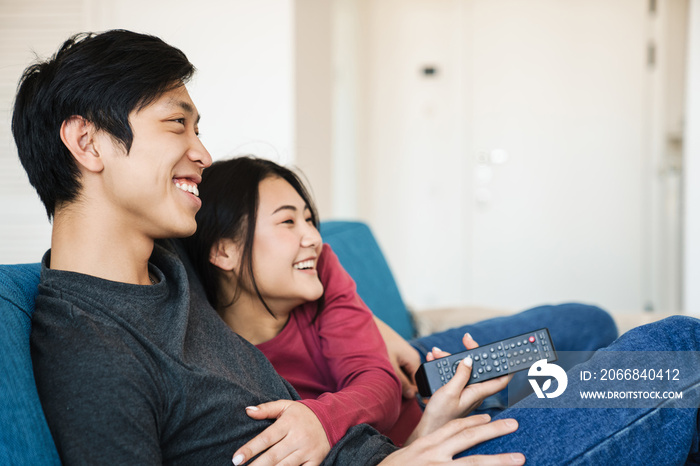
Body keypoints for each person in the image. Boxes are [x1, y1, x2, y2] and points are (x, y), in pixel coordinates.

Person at [13, 29, 700, 466]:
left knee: (641, 355)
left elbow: (299, 271)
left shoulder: (167, 263)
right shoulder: (91, 347)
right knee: (673, 350)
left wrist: (408, 414)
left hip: (415, 439)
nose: (202, 152)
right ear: (88, 142)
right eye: (176, 126)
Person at [181, 155, 619, 447]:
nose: (313, 237)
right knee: (652, 377)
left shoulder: (322, 265)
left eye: (310, 219)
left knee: (588, 323)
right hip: (421, 440)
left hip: (422, 377)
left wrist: (323, 415)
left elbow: (382, 384)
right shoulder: (219, 359)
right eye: (288, 222)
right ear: (223, 251)